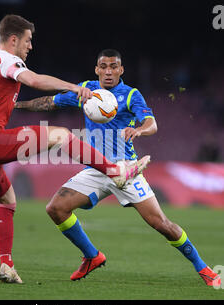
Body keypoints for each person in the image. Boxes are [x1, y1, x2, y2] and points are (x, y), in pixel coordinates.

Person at [0, 16, 150, 284]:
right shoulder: (9, 61)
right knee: (61, 135)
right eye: (28, 40)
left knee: (7, 201)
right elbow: (34, 79)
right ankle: (115, 172)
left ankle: (7, 266)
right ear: (13, 39)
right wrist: (73, 87)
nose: (30, 46)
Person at [15, 49, 221, 286]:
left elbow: (151, 123)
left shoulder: (131, 94)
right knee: (56, 209)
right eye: (103, 66)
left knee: (161, 224)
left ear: (121, 70)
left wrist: (139, 130)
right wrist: (16, 105)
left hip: (126, 169)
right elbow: (50, 103)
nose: (108, 71)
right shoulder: (86, 90)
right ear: (96, 69)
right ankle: (92, 256)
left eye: (114, 66)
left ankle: (203, 268)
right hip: (95, 168)